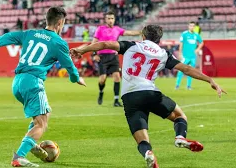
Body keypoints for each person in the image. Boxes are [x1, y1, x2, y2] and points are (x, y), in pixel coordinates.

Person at [70, 24, 226, 168]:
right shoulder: (163, 54)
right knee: (180, 117)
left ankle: (147, 153)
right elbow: (185, 69)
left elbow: (105, 44)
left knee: (142, 139)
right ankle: (179, 137)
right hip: (150, 93)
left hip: (129, 97)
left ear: (143, 36)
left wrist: (82, 50)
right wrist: (210, 80)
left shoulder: (132, 46)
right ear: (159, 40)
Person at [0, 7, 86, 167]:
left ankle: (31, 143)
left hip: (17, 82)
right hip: (33, 82)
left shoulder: (30, 33)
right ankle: (19, 156)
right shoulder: (59, 42)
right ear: (60, 23)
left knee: (45, 113)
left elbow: (8, 37)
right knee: (42, 124)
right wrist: (76, 79)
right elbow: (70, 67)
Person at [92, 11, 141, 107]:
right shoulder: (100, 29)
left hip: (113, 56)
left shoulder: (117, 29)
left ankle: (116, 100)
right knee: (102, 79)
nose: (110, 20)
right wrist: (95, 54)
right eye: (108, 18)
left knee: (117, 77)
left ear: (114, 19)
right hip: (102, 57)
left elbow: (129, 32)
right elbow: (94, 41)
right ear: (105, 20)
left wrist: (141, 32)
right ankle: (101, 92)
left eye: (112, 18)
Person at [175, 21, 204, 90]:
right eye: (190, 26)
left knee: (191, 72)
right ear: (188, 26)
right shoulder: (184, 34)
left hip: (193, 56)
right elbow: (181, 44)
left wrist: (198, 49)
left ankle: (188, 86)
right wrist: (180, 53)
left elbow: (202, 42)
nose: (192, 27)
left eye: (193, 26)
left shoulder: (196, 35)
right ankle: (177, 85)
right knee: (181, 70)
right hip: (185, 56)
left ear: (194, 27)